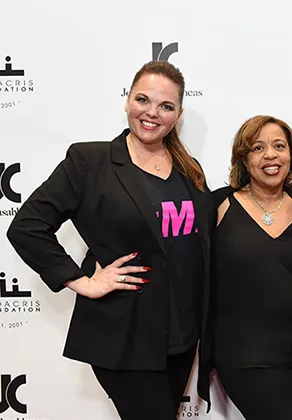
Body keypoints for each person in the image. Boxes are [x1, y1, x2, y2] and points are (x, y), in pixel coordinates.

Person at [6, 61, 214, 420]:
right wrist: (80, 281)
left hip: (182, 336)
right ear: (127, 101)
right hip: (124, 335)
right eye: (143, 99)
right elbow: (26, 226)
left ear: (178, 115)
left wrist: (279, 196)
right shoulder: (91, 161)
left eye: (165, 106)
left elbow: (208, 222)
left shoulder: (188, 167)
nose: (152, 113)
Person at [211, 115, 292, 420]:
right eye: (258, 148)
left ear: (291, 156)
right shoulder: (218, 206)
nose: (270, 155)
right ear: (244, 159)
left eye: (279, 146)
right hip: (246, 356)